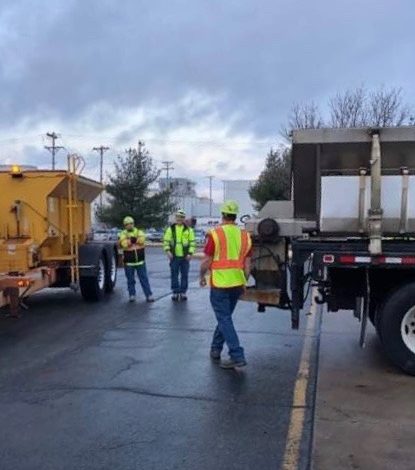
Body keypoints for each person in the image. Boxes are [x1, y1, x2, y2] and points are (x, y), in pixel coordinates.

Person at [199, 200, 252, 369]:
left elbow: (206, 260)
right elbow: (248, 264)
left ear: (222, 215)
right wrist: (245, 281)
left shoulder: (215, 234)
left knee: (224, 319)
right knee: (225, 318)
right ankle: (215, 349)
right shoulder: (245, 235)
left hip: (220, 284)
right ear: (235, 216)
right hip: (237, 284)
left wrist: (201, 275)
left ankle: (237, 355)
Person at [119, 216, 154, 303]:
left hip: (140, 261)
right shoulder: (123, 233)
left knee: (144, 279)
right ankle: (132, 295)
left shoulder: (139, 231)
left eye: (131, 223)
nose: (129, 225)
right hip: (129, 263)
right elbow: (123, 244)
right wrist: (132, 241)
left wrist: (131, 241)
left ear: (133, 224)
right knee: (130, 280)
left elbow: (142, 240)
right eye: (127, 224)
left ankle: (148, 295)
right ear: (125, 225)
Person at [163, 209, 196, 301]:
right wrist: (168, 251)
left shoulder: (189, 230)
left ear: (184, 219)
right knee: (174, 274)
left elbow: (192, 243)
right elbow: (166, 241)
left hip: (185, 257)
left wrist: (190, 253)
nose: (179, 219)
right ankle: (175, 291)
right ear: (175, 218)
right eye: (178, 217)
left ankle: (183, 292)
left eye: (181, 217)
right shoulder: (171, 229)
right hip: (174, 257)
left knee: (184, 275)